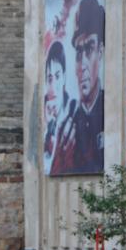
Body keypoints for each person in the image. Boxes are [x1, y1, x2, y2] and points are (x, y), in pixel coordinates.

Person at [53, 0, 105, 176]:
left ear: (100, 52)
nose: (82, 65)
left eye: (89, 49)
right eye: (78, 52)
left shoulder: (111, 109)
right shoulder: (68, 125)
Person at [42, 40, 71, 171]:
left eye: (57, 76)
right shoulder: (42, 117)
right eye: (49, 79)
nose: (53, 86)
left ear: (64, 77)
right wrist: (49, 127)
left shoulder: (73, 113)